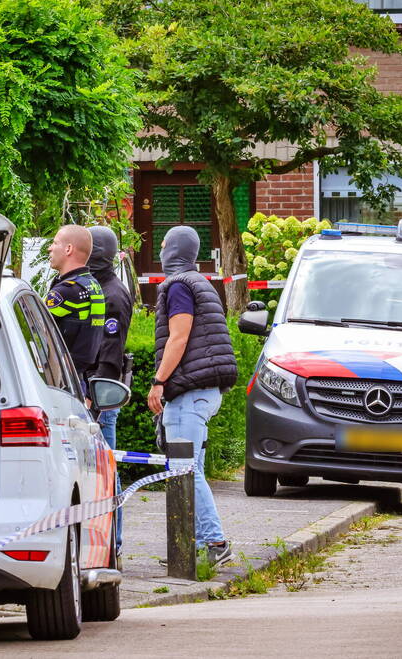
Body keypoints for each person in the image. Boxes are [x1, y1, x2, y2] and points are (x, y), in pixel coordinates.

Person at [147, 226, 238, 566]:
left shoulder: (178, 286)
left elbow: (179, 337)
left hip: (188, 393)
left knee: (185, 470)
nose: (160, 247)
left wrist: (158, 381)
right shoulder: (201, 283)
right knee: (190, 468)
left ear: (171, 248)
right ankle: (194, 547)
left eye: (164, 242)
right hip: (205, 392)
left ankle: (214, 542)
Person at [85, 225, 133, 555]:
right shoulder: (95, 288)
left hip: (99, 398)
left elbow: (111, 353)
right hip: (92, 393)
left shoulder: (112, 295)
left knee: (105, 473)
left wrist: (97, 399)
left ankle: (112, 544)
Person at [45, 224, 106, 383]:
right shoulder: (92, 284)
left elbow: (33, 328)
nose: (49, 248)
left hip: (61, 378)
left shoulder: (66, 291)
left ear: (68, 249)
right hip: (78, 377)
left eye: (55, 243)